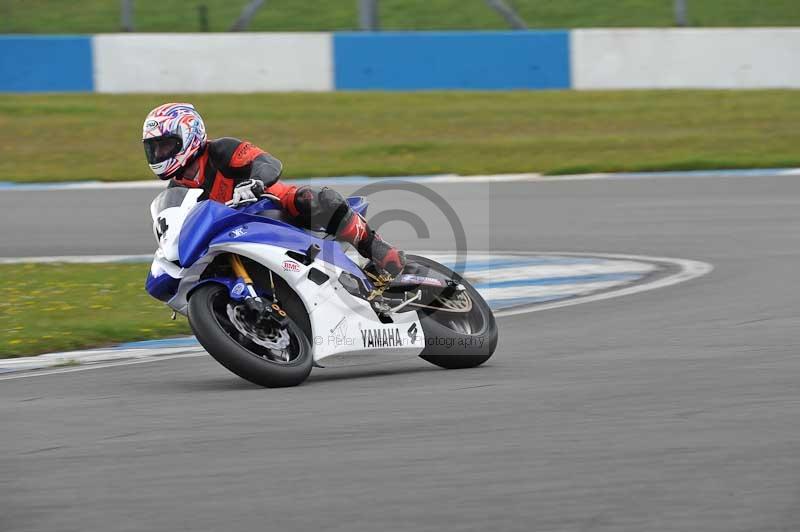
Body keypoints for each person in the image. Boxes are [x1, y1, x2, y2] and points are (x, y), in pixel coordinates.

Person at [142, 102, 406, 276]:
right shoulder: (175, 191)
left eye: (165, 146)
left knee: (315, 200)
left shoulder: (221, 150)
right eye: (154, 148)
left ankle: (379, 251)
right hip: (229, 239)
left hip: (269, 208)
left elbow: (266, 161)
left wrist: (255, 182)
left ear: (189, 135)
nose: (159, 153)